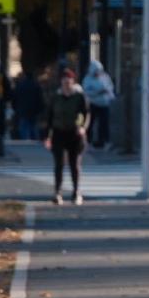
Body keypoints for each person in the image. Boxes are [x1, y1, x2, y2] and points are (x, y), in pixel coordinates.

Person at [43, 68, 89, 205]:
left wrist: (82, 128)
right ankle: (57, 193)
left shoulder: (79, 97)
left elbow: (85, 114)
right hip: (58, 133)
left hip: (74, 134)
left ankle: (76, 192)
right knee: (59, 164)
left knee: (75, 164)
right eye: (64, 83)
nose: (66, 85)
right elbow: (49, 117)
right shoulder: (55, 98)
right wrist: (47, 136)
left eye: (69, 83)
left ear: (73, 82)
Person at [81, 59, 115, 149]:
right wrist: (97, 92)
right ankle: (88, 141)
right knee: (90, 123)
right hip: (93, 104)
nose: (98, 73)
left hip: (104, 104)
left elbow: (110, 87)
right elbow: (86, 92)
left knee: (104, 124)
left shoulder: (105, 77)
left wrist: (110, 96)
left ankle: (104, 141)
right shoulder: (87, 79)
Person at [13, 69, 46, 140]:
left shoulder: (20, 85)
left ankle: (24, 142)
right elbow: (40, 99)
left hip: (22, 111)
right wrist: (40, 110)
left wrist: (16, 109)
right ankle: (34, 142)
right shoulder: (36, 85)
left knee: (23, 129)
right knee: (33, 128)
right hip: (33, 111)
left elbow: (14, 98)